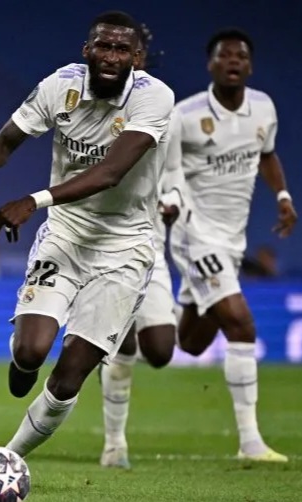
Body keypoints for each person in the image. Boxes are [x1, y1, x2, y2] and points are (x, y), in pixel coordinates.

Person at [0, 11, 174, 459]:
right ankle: (21, 360)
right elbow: (6, 140)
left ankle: (7, 457)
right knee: (31, 351)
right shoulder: (60, 85)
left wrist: (33, 201)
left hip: (125, 248)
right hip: (66, 235)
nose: (111, 57)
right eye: (103, 47)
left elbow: (110, 172)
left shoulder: (154, 98)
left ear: (137, 58)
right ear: (87, 50)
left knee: (70, 374)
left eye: (121, 50)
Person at [168, 28, 296, 462]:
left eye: (241, 55)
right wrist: (169, 202)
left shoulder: (263, 108)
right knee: (241, 323)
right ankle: (250, 442)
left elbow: (266, 154)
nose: (233, 61)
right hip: (193, 233)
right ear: (211, 64)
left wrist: (282, 197)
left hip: (231, 238)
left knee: (193, 342)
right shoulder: (185, 115)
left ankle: (151, 319)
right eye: (225, 55)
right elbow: (165, 169)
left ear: (250, 65)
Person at [97, 22, 183, 469]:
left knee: (161, 351)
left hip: (149, 245)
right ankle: (115, 443)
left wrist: (173, 199)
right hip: (103, 244)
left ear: (140, 57)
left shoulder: (168, 106)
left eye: (130, 51)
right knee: (121, 344)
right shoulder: (93, 102)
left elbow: (178, 172)